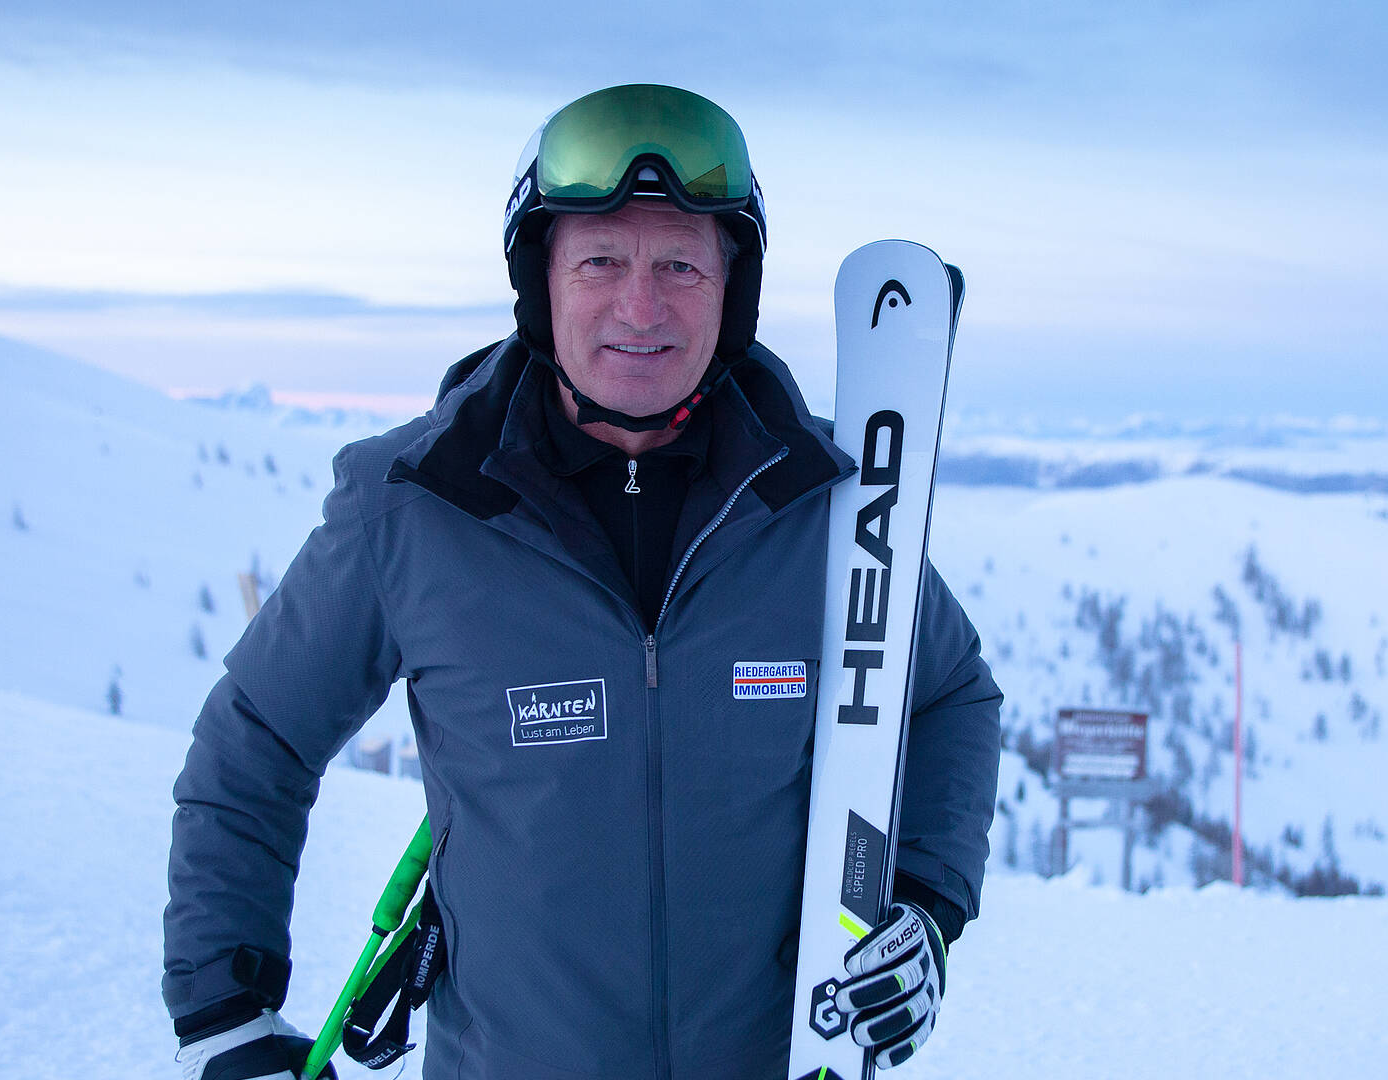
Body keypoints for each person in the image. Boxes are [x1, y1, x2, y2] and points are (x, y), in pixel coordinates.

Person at [164, 83, 1003, 1080]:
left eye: (681, 265)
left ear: (732, 288)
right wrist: (227, 1009)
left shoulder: (828, 508)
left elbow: (950, 694)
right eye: (601, 259)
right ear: (542, 282)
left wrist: (922, 905)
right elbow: (256, 739)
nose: (640, 307)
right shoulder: (418, 508)